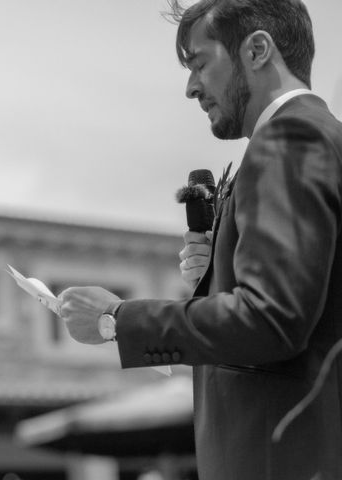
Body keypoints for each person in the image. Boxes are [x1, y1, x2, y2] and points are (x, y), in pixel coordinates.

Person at [57, 1, 342, 479]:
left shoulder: (289, 139)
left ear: (256, 50)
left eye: (199, 63)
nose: (191, 88)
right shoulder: (317, 137)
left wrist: (116, 320)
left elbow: (270, 322)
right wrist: (223, 270)